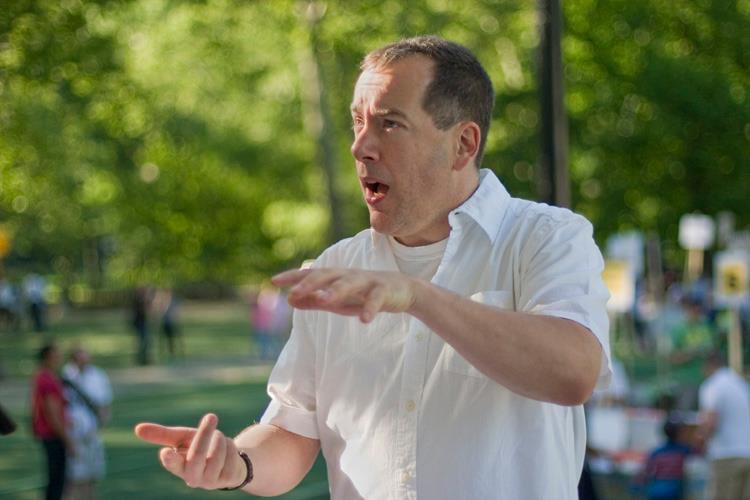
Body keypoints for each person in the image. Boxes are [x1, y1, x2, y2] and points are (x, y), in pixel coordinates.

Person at [135, 36, 611, 499]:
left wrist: (417, 296)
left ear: (463, 144)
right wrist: (235, 463)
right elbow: (291, 431)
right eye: (358, 122)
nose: (361, 146)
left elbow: (573, 373)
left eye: (390, 124)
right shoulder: (337, 266)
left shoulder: (545, 237)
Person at [62, 347, 113, 500]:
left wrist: (100, 426)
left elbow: (104, 405)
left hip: (93, 432)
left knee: (92, 474)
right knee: (72, 476)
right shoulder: (66, 376)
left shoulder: (98, 375)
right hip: (73, 433)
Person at [698, 351, 750, 499]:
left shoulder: (713, 385)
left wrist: (700, 440)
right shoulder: (741, 384)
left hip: (726, 454)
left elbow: (710, 420)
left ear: (708, 365)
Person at [31, 344, 72, 500]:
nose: (59, 358)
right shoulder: (46, 379)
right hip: (53, 434)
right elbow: (52, 413)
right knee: (57, 480)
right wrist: (67, 440)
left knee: (55, 479)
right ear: (47, 357)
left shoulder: (42, 376)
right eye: (55, 355)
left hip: (49, 433)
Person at [633, 415, 695, 500]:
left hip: (655, 490)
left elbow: (645, 472)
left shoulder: (656, 452)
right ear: (679, 433)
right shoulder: (683, 450)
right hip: (674, 491)